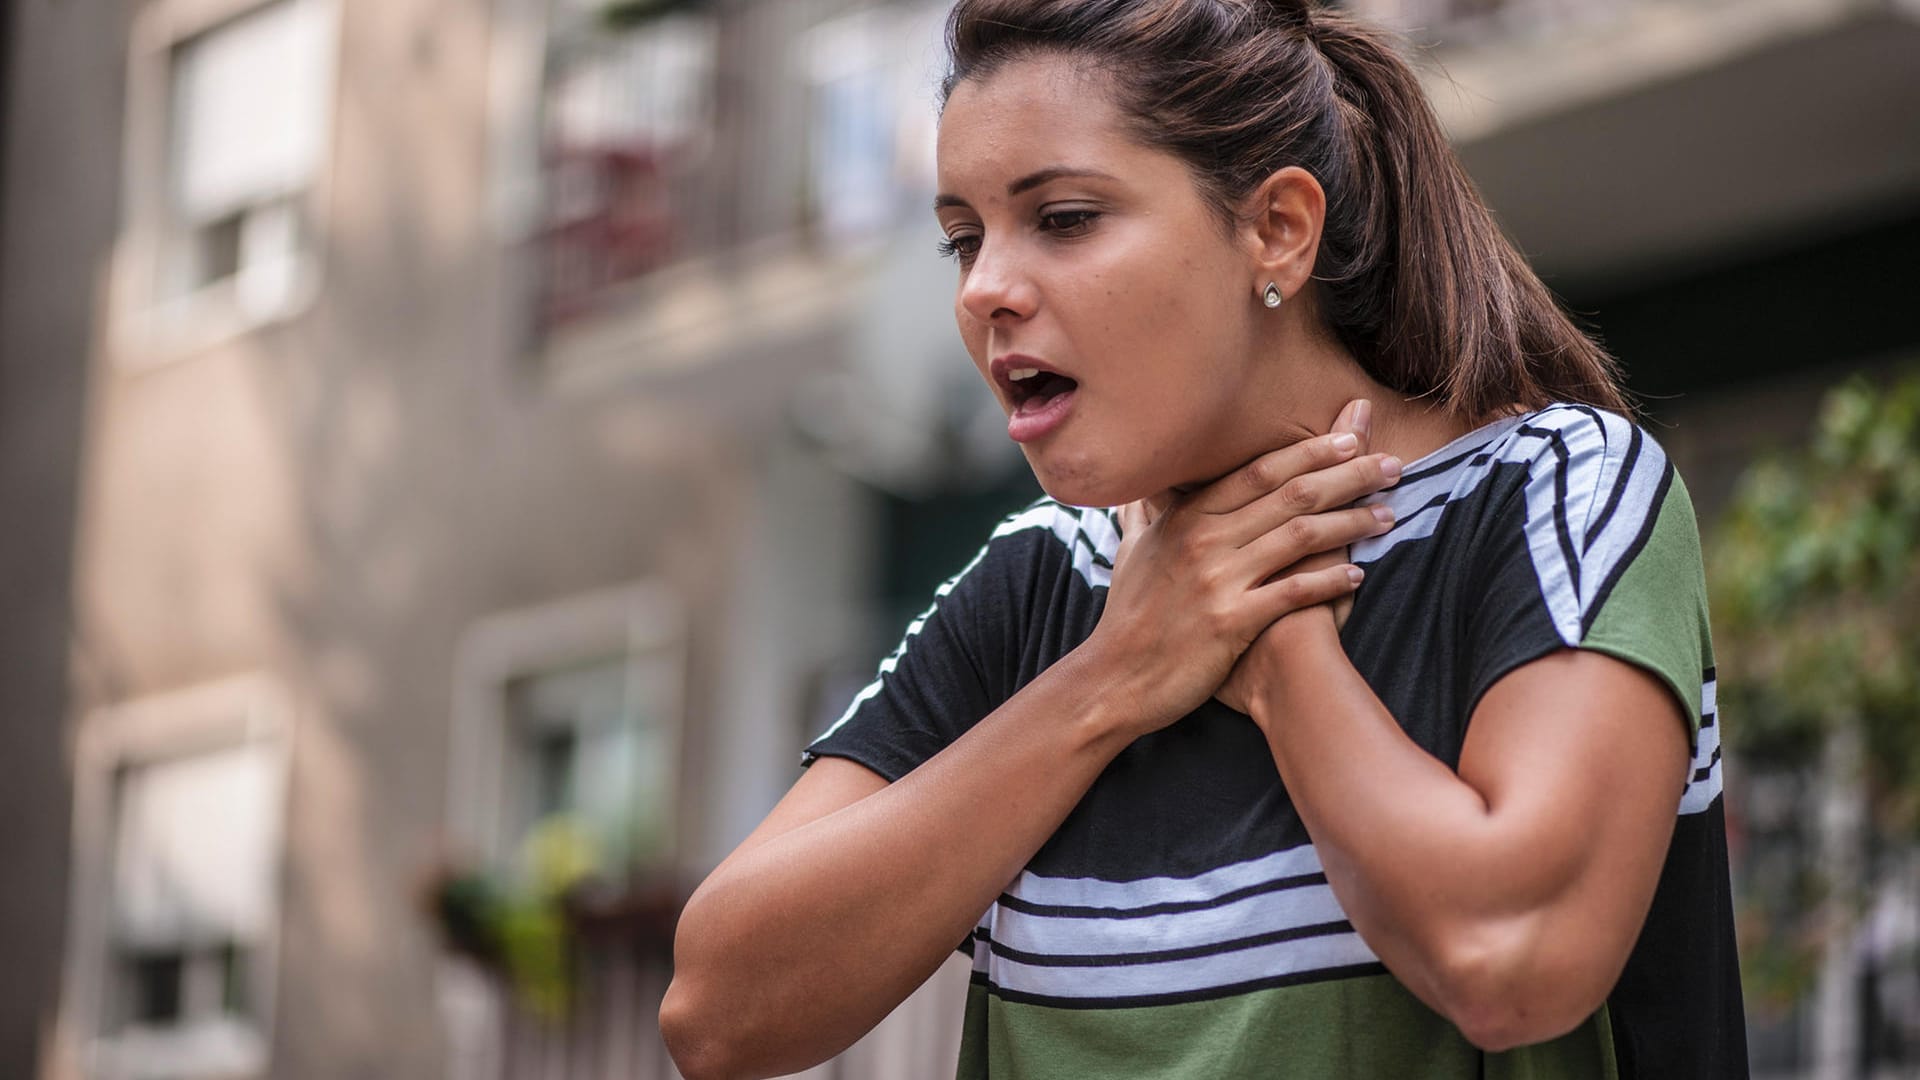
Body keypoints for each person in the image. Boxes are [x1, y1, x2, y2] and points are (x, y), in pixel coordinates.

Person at [659, 1, 1746, 1076]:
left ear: (1276, 228)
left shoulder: (1554, 493)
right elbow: (714, 1012)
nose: (986, 287)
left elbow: (1511, 960)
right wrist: (1116, 674)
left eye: (1066, 217)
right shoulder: (1043, 578)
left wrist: (1276, 651)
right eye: (963, 238)